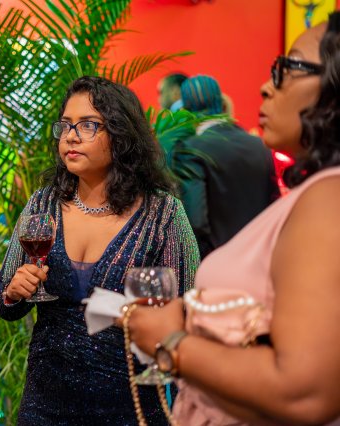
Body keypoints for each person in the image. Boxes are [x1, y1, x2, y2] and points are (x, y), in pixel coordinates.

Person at [125, 12, 340, 425]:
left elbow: (303, 391)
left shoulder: (327, 197)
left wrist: (171, 341)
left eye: (288, 67)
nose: (266, 85)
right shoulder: (261, 151)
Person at [0, 76, 200, 424]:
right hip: (45, 404)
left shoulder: (162, 213)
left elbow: (188, 318)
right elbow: (2, 301)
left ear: (120, 134)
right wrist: (14, 292)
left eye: (88, 125)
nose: (71, 136)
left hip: (130, 405)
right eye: (66, 125)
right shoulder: (43, 204)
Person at [173, 75, 280, 258]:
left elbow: (195, 222)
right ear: (220, 103)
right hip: (261, 257)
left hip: (216, 262)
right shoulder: (260, 145)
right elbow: (274, 206)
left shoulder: (190, 149)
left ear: (186, 109)